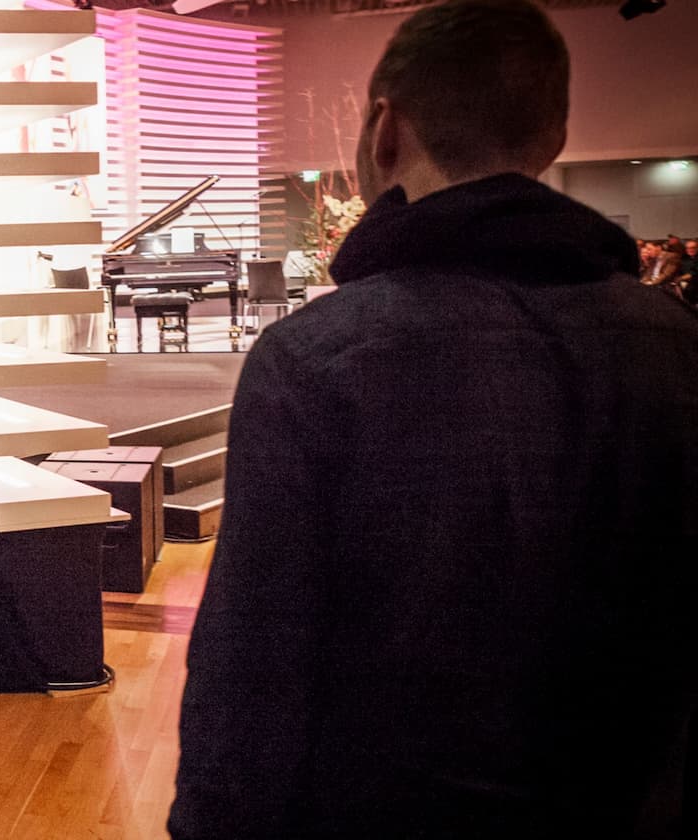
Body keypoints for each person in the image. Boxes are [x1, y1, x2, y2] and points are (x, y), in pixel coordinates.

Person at [170, 1, 698, 837]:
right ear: (550, 139)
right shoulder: (676, 345)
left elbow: (255, 671)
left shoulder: (312, 361)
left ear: (385, 129)